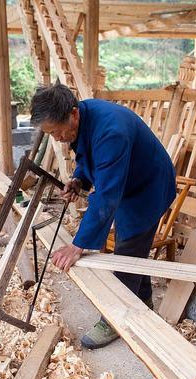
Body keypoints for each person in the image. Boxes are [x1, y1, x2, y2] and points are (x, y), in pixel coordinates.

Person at [30, 84, 176, 349]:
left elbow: (107, 195)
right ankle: (143, 301)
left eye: (58, 131)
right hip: (130, 180)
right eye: (50, 134)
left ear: (73, 113)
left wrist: (78, 245)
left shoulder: (111, 131)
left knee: (128, 247)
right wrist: (79, 179)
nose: (58, 138)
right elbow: (90, 156)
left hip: (149, 186)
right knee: (131, 247)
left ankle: (113, 318)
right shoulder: (84, 118)